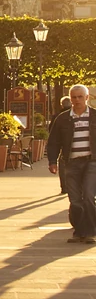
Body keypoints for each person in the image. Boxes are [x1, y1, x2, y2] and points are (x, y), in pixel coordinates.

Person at [46, 84, 96, 243]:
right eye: (74, 97)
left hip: (92, 162)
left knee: (88, 196)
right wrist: (52, 161)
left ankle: (90, 232)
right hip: (71, 162)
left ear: (87, 98)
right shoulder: (63, 118)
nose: (77, 100)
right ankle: (79, 231)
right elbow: (53, 141)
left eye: (80, 97)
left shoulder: (94, 116)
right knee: (75, 200)